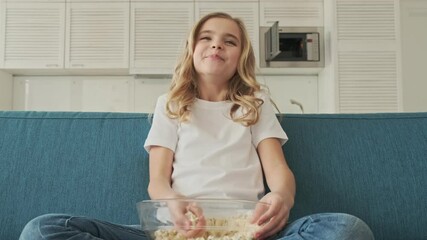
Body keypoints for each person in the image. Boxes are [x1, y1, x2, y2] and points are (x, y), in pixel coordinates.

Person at [19, 12, 374, 240]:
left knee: (347, 228)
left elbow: (278, 172)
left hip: (245, 231)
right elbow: (157, 181)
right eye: (206, 37)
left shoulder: (255, 105)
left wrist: (282, 196)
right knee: (42, 229)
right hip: (177, 229)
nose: (216, 43)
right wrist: (173, 202)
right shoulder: (170, 105)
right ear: (192, 50)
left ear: (240, 58)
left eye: (229, 40)